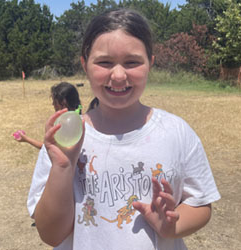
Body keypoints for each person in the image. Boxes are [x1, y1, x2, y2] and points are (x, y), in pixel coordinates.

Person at [27, 9, 221, 250]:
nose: (118, 75)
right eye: (104, 62)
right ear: (84, 64)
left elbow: (201, 203)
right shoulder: (65, 139)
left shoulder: (176, 132)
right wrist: (63, 166)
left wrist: (172, 226)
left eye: (132, 62)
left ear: (150, 62)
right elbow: (51, 234)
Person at [13, 82, 82, 149]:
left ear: (64, 102)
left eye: (55, 101)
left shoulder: (67, 125)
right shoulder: (77, 120)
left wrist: (26, 139)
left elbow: (49, 148)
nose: (53, 104)